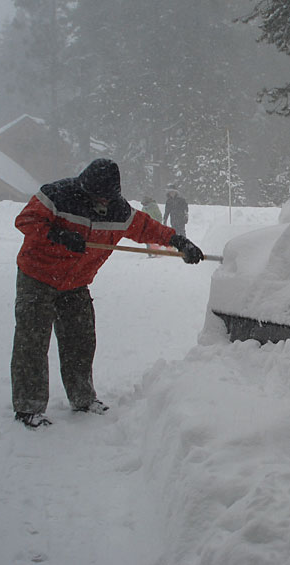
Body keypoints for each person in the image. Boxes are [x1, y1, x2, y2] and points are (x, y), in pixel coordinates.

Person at [11, 158, 204, 428]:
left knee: (81, 340)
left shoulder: (118, 210)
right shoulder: (57, 195)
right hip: (38, 276)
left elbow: (147, 227)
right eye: (96, 196)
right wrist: (57, 234)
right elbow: (26, 219)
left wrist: (178, 241)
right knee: (32, 341)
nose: (101, 202)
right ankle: (28, 407)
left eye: (106, 197)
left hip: (76, 283)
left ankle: (82, 398)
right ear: (84, 186)